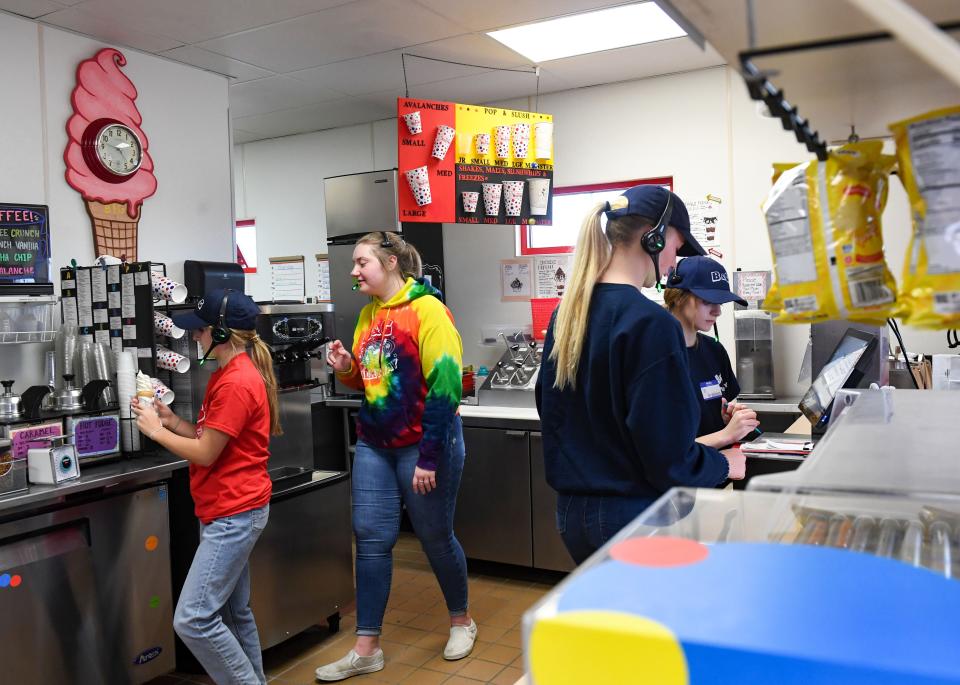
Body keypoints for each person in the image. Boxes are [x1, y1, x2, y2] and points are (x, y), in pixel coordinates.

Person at [535, 185, 746, 565]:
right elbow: (666, 454)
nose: (673, 262)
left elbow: (551, 411)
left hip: (573, 514)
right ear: (654, 236)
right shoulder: (650, 323)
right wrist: (722, 465)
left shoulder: (567, 315)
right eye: (676, 247)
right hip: (632, 513)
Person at [316, 231, 473, 682]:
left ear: (389, 262)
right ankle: (367, 647)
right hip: (375, 444)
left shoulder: (428, 311)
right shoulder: (368, 315)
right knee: (370, 539)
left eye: (361, 262)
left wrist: (428, 457)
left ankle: (462, 621)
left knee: (435, 536)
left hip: (426, 446)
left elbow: (446, 388)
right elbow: (370, 384)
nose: (353, 271)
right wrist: (347, 365)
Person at [132, 289, 280, 685]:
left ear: (221, 333)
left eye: (200, 330)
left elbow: (205, 453)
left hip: (234, 512)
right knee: (234, 613)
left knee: (194, 619)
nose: (194, 337)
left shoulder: (236, 383)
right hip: (227, 508)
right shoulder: (227, 375)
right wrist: (166, 419)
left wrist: (153, 433)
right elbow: (204, 435)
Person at [663, 256, 760, 449]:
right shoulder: (656, 357)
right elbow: (665, 450)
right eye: (708, 301)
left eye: (721, 303)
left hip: (719, 469)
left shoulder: (714, 351)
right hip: (682, 478)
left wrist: (726, 420)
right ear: (679, 297)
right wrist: (726, 435)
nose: (717, 311)